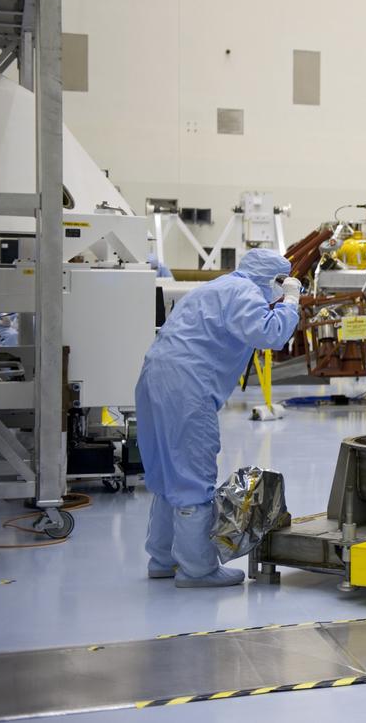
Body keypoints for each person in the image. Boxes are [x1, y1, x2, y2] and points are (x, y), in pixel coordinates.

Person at [135, 249, 301, 587]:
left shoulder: (217, 287)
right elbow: (270, 335)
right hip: (187, 385)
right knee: (192, 473)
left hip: (156, 375)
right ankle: (197, 570)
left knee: (169, 472)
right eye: (280, 282)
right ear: (273, 279)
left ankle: (163, 558)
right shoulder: (245, 293)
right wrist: (290, 302)